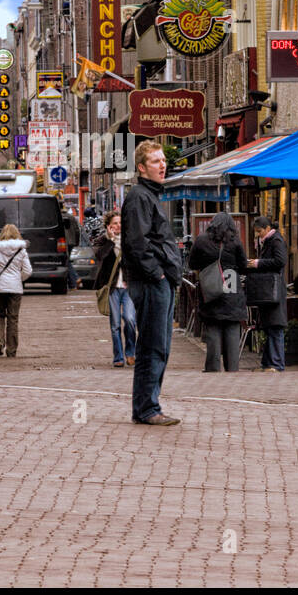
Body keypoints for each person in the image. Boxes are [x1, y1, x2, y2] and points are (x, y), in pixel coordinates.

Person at [120, 140, 182, 425]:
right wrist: (156, 274)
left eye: (163, 160)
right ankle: (146, 408)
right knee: (153, 345)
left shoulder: (149, 196)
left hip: (160, 280)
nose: (162, 165)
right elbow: (137, 242)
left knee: (160, 345)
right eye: (156, 161)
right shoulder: (139, 197)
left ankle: (149, 405)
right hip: (152, 282)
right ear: (142, 168)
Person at [189, 212, 248, 373]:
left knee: (213, 326)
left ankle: (213, 368)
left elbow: (192, 262)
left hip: (210, 289)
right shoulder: (235, 241)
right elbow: (243, 264)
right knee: (232, 328)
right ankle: (232, 368)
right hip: (232, 287)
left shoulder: (201, 240)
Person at [93, 210, 136, 368]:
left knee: (130, 319)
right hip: (111, 287)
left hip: (128, 286)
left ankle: (131, 352)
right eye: (114, 224)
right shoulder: (102, 240)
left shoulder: (130, 239)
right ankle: (118, 356)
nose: (118, 226)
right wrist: (110, 241)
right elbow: (100, 257)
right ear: (108, 226)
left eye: (120, 223)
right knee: (115, 324)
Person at [247, 215, 289, 372]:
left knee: (275, 327)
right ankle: (268, 363)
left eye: (259, 231)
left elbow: (280, 261)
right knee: (270, 326)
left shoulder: (276, 241)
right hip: (270, 291)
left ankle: (277, 364)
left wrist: (258, 263)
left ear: (267, 228)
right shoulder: (270, 240)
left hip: (274, 291)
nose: (258, 235)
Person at [0, 223, 32, 358]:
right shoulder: (21, 250)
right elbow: (28, 270)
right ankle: (11, 350)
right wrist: (19, 279)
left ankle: (0, 340)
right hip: (15, 288)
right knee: (13, 318)